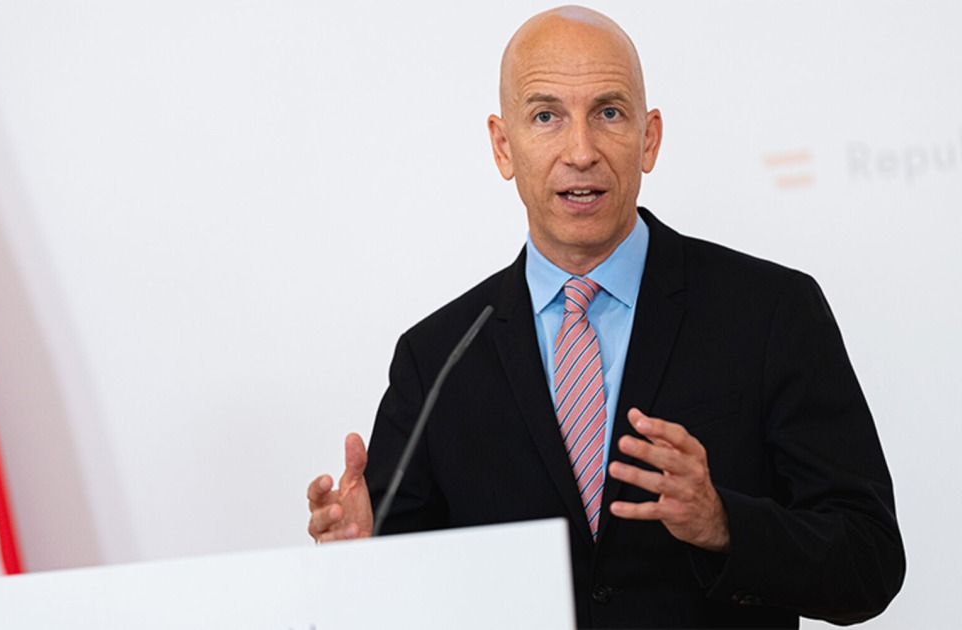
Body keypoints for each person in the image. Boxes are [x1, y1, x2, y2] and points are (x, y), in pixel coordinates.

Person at [306, 6, 904, 629]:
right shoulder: (435, 358)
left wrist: (723, 523)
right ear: (504, 146)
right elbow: (402, 593)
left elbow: (870, 562)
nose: (581, 151)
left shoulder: (772, 312)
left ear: (649, 138)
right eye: (546, 117)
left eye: (609, 113)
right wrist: (362, 562)